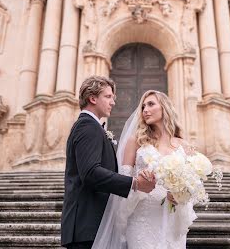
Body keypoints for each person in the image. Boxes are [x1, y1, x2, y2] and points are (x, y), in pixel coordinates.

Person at [93, 89, 197, 249]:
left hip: (171, 218)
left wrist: (180, 196)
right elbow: (124, 183)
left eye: (150, 104)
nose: (145, 110)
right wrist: (139, 184)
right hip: (142, 218)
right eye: (143, 107)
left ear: (164, 107)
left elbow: (193, 186)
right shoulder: (135, 141)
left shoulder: (183, 145)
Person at [61, 76, 156, 249]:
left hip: (89, 226)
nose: (113, 102)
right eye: (108, 97)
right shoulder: (87, 126)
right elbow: (90, 173)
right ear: (92, 98)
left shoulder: (91, 126)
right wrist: (135, 183)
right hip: (86, 225)